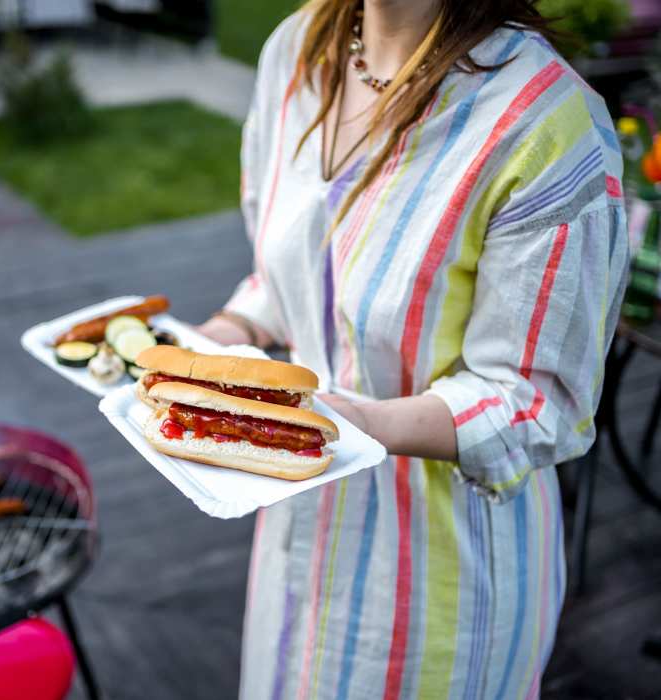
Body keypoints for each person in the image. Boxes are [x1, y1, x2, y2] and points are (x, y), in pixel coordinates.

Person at [197, 0, 629, 697]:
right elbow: (294, 273)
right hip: (295, 535)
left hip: (439, 582)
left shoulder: (548, 124)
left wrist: (355, 423)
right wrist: (214, 339)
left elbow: (539, 401)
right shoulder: (296, 50)